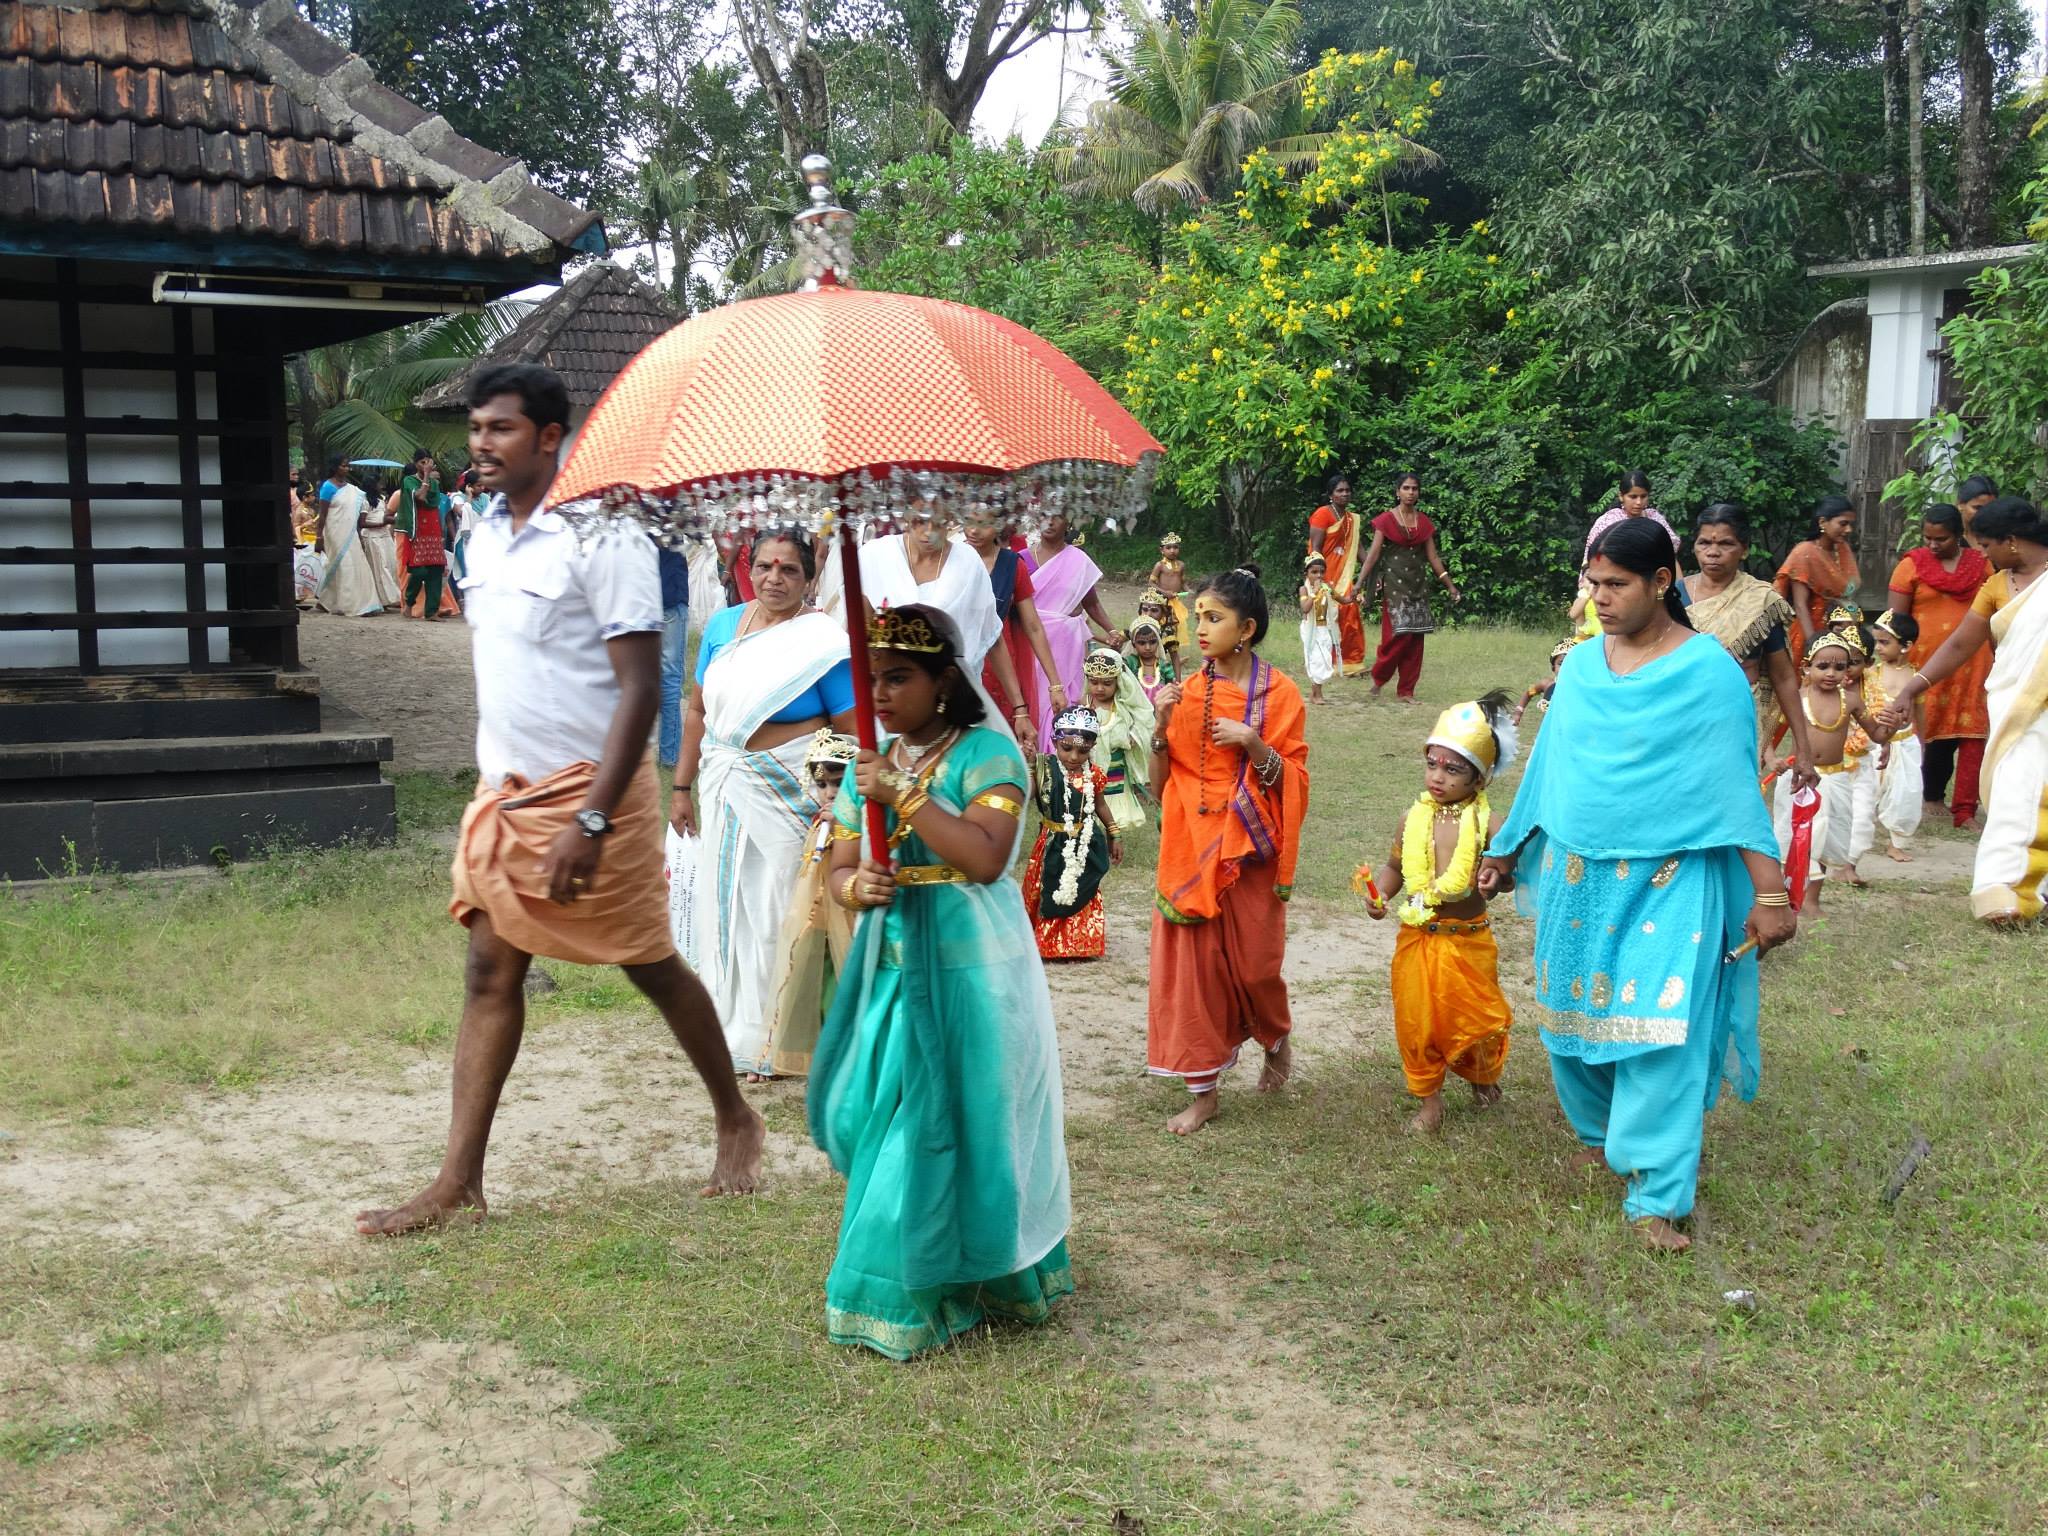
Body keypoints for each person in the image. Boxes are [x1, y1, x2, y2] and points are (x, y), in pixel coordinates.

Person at [355, 363, 764, 1236]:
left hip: (594, 794)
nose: (480, 444)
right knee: (489, 968)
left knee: (649, 964)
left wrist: (592, 818)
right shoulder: (484, 535)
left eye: (499, 429)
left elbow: (642, 692)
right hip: (505, 793)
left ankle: (735, 1114)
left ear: (549, 438)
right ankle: (459, 1181)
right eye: (474, 428)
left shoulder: (602, 538)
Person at [1478, 516, 1796, 1253]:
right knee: (1570, 1020)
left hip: (1672, 876)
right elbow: (1549, 770)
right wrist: (1504, 851)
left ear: (1662, 582)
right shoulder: (1584, 666)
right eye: (1593, 585)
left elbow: (1731, 790)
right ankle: (1600, 1135)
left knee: (1661, 1029)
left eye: (1616, 585)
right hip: (1577, 874)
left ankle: (1657, 1191)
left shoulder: (1708, 670)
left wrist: (1771, 894)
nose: (1600, 599)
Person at [812, 603, 1073, 1358]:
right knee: (896, 1125)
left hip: (976, 974)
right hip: (894, 971)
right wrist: (854, 888)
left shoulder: (989, 756)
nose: (881, 695)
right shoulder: (876, 758)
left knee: (975, 1125)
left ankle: (979, 1275)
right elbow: (839, 865)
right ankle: (906, 1282)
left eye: (898, 678)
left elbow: (985, 859)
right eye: (872, 680)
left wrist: (905, 794)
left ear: (945, 680)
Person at [674, 530, 855, 1081]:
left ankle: (782, 1039)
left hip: (791, 790)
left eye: (790, 570)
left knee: (781, 905)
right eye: (766, 566)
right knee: (725, 903)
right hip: (722, 780)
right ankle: (731, 1032)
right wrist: (680, 788)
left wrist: (837, 802)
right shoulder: (724, 628)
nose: (774, 578)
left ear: (809, 578)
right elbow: (699, 712)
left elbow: (847, 730)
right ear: (747, 568)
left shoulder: (824, 642)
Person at [1146, 565, 1310, 1134]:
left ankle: (1275, 1034)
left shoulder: (1280, 694)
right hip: (1191, 847)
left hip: (1250, 851)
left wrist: (1253, 741)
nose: (1201, 629)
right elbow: (1158, 779)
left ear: (1247, 628)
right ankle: (1204, 1091)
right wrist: (1160, 724)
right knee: (1196, 971)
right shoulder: (1189, 691)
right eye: (1199, 618)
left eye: (1214, 619)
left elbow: (1293, 776)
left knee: (1256, 966)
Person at [1879, 496, 2048, 924]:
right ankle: (2004, 896)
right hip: (2018, 712)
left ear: (2012, 541)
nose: (1984, 555)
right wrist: (1913, 687)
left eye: (1988, 545)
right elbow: (1960, 643)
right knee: (2014, 795)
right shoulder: (1996, 585)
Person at [1362, 692, 1518, 1134]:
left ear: (1481, 777)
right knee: (1418, 1023)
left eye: (1453, 770)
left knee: (1475, 1020)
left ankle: (1483, 1080)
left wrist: (1496, 879)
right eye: (1432, 765)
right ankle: (1429, 1101)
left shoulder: (1490, 824)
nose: (1438, 777)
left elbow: (1505, 876)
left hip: (1468, 938)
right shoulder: (1413, 817)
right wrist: (1381, 896)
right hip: (1420, 936)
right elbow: (1393, 867)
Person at [861, 503, 1032, 742]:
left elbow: (992, 637)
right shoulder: (875, 556)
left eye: (938, 522)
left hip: (952, 699)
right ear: (905, 516)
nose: (928, 531)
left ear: (951, 518)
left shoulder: (968, 562)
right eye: (920, 520)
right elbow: (861, 639)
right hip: (894, 702)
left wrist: (1020, 709)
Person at [1682, 504, 1816, 781]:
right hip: (1680, 717)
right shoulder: (1673, 597)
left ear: (1744, 549)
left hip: (1736, 720)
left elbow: (1783, 676)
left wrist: (1803, 748)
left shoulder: (1761, 600)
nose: (1713, 552)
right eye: (1704, 542)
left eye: (1726, 544)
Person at [760, 730, 859, 1078]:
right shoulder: (820, 821)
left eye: (838, 782)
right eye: (822, 785)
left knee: (842, 986)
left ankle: (848, 1059)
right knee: (811, 983)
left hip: (850, 919)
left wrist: (847, 824)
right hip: (816, 917)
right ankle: (809, 1057)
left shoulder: (860, 823)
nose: (830, 792)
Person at [1887, 503, 1991, 828]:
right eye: (1928, 537)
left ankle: (1965, 810)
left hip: (1976, 661)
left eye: (1941, 538)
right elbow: (1897, 622)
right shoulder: (1911, 566)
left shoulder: (1983, 566)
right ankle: (1927, 796)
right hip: (1925, 664)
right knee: (1926, 729)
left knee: (1974, 732)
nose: (1933, 545)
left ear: (1959, 535)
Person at [1772, 628, 1884, 913]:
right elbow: (1770, 735)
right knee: (1795, 837)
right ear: (1806, 667)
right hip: (1800, 780)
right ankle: (1785, 894)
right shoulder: (1795, 698)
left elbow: (1878, 734)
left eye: (1839, 666)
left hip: (1835, 778)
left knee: (1824, 839)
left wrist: (1892, 723)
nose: (1831, 673)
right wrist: (1772, 758)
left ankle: (1811, 900)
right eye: (1823, 666)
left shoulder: (1852, 701)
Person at [1023, 706, 1121, 961]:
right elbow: (1029, 795)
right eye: (1067, 748)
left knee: (1083, 888)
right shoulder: (1045, 768)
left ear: (1092, 746)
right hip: (1052, 842)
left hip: (1086, 843)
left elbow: (1099, 805)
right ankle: (1047, 944)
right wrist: (1030, 765)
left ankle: (1078, 944)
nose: (1074, 756)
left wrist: (1114, 833)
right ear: (1054, 742)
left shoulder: (1094, 774)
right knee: (1049, 887)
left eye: (1083, 750)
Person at [1357, 471, 1461, 700]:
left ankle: (1406, 691)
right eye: (1406, 488)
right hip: (1395, 588)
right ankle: (1379, 678)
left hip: (1418, 586)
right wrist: (1359, 584)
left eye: (1414, 488)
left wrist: (1449, 584)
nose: (1410, 492)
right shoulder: (1385, 521)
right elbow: (1373, 556)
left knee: (1415, 639)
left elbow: (1433, 558)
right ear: (1397, 492)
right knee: (1396, 637)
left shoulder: (1423, 523)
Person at [1024, 511, 1124, 748]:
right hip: (1031, 645)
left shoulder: (1078, 561)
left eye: (1056, 516)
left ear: (1068, 522)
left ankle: (1062, 758)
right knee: (1034, 701)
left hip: (1067, 647)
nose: (1049, 522)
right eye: (1044, 515)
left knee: (1065, 701)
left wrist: (1112, 631)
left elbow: (1091, 603)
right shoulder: (1020, 560)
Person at [960, 504, 1065, 731]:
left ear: (998, 526)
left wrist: (1055, 685)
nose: (974, 531)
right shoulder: (950, 562)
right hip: (960, 667)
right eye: (969, 522)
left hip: (1003, 668)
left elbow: (1033, 626)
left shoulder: (1011, 565)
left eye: (983, 524)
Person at [1775, 494, 1859, 665]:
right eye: (1843, 524)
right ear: (1822, 523)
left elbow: (1847, 595)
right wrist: (1813, 644)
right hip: (1810, 629)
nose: (1849, 530)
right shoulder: (1804, 552)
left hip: (1842, 629)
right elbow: (1800, 605)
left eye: (1850, 524)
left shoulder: (1842, 549)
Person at [1869, 611, 1926, 863]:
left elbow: (1919, 713)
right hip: (1872, 742)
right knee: (1865, 789)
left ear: (1906, 646)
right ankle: (1855, 834)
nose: (1878, 648)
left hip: (1904, 741)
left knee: (1905, 792)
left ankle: (1896, 843)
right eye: (1876, 642)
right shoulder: (1871, 673)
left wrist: (1921, 742)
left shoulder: (1916, 677)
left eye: (1885, 642)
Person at [1083, 645, 1154, 833]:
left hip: (1116, 769)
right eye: (1094, 682)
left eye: (1107, 683)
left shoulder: (1122, 708)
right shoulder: (1085, 705)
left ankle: (1114, 831)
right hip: (1090, 768)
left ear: (1119, 682)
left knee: (1114, 799)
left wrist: (1132, 736)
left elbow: (1143, 723)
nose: (1099, 688)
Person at [1307, 473, 1367, 677]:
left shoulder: (1351, 519)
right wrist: (1317, 578)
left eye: (1347, 490)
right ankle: (1327, 661)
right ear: (1331, 494)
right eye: (1339, 490)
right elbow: (1315, 549)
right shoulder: (1322, 514)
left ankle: (1351, 662)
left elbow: (1359, 549)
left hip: (1345, 575)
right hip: (1326, 574)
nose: (1344, 494)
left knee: (1350, 612)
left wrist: (1372, 569)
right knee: (1328, 617)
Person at [313, 461, 385, 618]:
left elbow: (356, 516)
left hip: (350, 534)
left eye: (347, 466)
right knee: (343, 565)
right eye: (343, 465)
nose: (346, 469)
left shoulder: (351, 489)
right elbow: (323, 514)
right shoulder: (328, 487)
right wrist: (319, 536)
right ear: (335, 467)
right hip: (335, 532)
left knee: (356, 563)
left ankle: (330, 601)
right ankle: (349, 604)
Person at [396, 455, 455, 620]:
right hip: (417, 529)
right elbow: (421, 497)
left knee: (436, 569)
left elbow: (434, 502)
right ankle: (409, 602)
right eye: (422, 462)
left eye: (428, 462)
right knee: (419, 570)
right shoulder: (409, 481)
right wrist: (427, 475)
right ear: (415, 464)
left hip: (433, 528)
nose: (425, 465)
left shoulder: (435, 484)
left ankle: (431, 611)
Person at [655, 541, 690, 768]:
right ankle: (669, 755)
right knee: (670, 679)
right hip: (669, 596)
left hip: (638, 601)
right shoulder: (673, 508)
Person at [1299, 552, 1341, 704]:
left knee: (1325, 660)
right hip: (1310, 630)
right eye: (1314, 572)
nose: (1318, 575)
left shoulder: (1327, 588)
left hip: (1324, 629)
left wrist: (1356, 596)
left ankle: (1314, 693)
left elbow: (1343, 599)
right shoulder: (1304, 590)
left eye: (1321, 572)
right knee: (1317, 660)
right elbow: (1305, 608)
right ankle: (1318, 695)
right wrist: (1314, 593)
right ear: (1307, 573)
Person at [1147, 532, 1192, 652]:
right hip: (1161, 600)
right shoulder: (1160, 565)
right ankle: (1156, 647)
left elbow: (1183, 582)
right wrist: (1164, 592)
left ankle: (1173, 648)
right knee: (1161, 623)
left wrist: (1189, 591)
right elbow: (1151, 583)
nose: (1172, 550)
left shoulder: (1181, 565)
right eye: (1168, 547)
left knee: (1178, 622)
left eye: (1175, 547)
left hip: (1175, 600)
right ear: (1162, 550)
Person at [1126, 617, 1177, 705]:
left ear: (1158, 642)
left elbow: (1170, 689)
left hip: (1159, 711)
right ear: (1133, 644)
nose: (1148, 648)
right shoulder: (1130, 662)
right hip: (1136, 711)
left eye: (1152, 642)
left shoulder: (1164, 665)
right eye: (1142, 643)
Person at [1956, 473, 1999, 547]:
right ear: (1960, 504)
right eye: (1977, 508)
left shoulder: (2001, 536)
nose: (1984, 513)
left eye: (1990, 508)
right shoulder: (1947, 537)